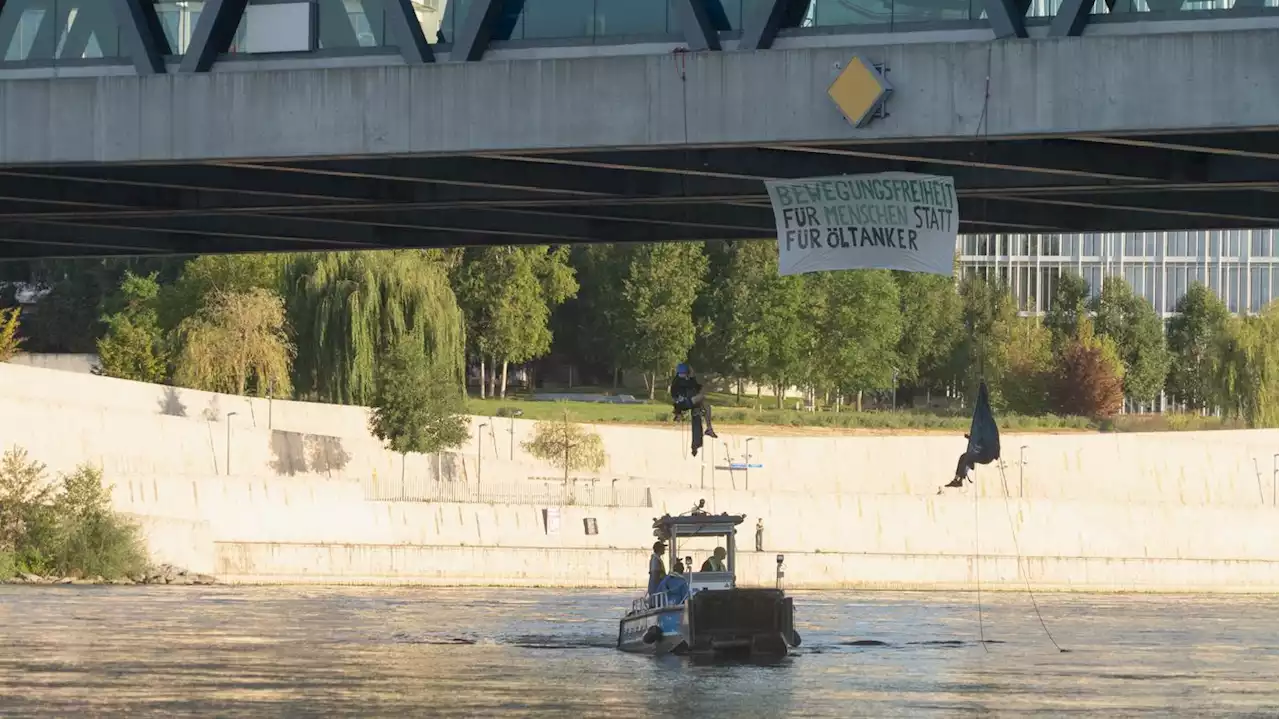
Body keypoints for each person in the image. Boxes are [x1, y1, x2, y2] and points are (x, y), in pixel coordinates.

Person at [670, 362, 717, 456]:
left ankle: (707, 428)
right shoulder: (682, 379)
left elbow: (692, 385)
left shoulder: (678, 379)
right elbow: (694, 383)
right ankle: (708, 427)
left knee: (704, 406)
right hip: (684, 403)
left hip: (683, 403)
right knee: (702, 397)